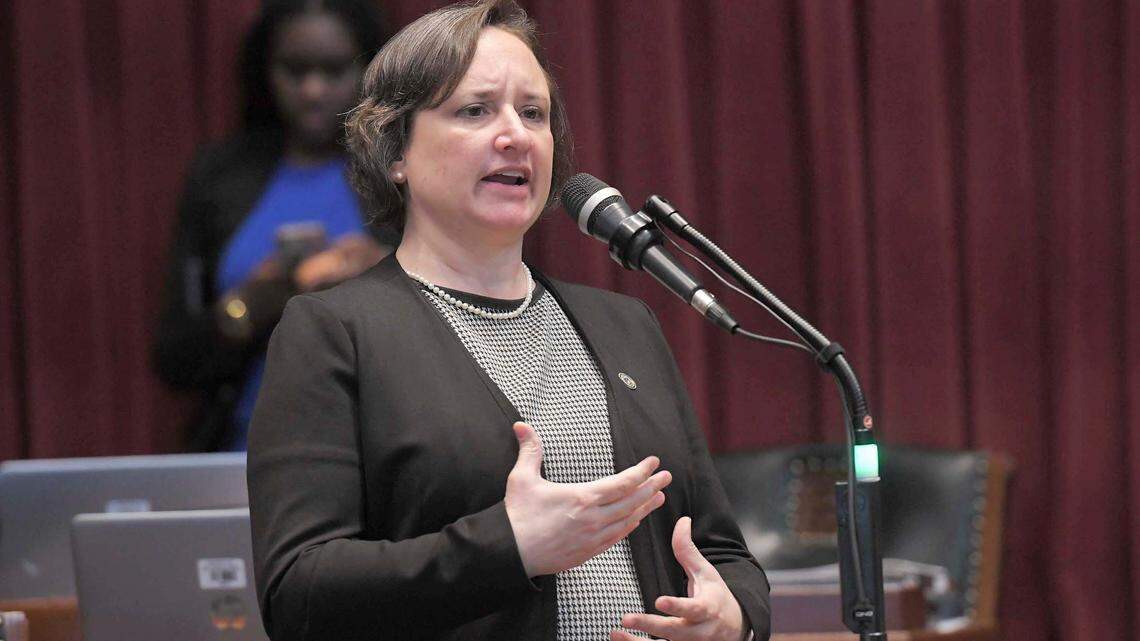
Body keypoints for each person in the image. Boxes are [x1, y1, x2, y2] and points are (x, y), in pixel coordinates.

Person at [246, 1, 771, 640]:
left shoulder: (625, 324)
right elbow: (298, 593)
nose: (515, 135)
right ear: (395, 152)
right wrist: (509, 547)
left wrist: (729, 618)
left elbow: (726, 555)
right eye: (474, 110)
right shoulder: (333, 333)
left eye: (534, 113)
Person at [152, 0, 392, 452]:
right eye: (295, 70)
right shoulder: (219, 177)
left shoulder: (405, 171)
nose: (313, 90)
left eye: (335, 69)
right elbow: (174, 358)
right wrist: (247, 306)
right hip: (242, 459)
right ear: (265, 69)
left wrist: (384, 270)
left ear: (370, 68)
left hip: (380, 457)